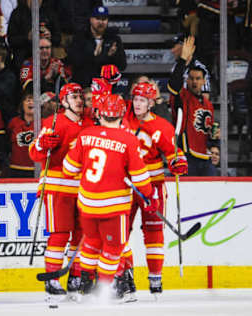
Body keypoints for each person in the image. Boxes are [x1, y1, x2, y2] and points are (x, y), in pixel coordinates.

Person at [62, 93, 156, 302]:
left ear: (99, 112)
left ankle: (86, 285)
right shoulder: (128, 139)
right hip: (114, 206)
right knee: (114, 248)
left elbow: (68, 169)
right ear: (122, 113)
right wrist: (150, 196)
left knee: (92, 243)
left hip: (87, 204)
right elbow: (140, 177)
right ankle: (106, 288)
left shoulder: (85, 135)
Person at [119, 82, 188, 300]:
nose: (137, 104)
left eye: (142, 100)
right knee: (120, 230)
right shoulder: (123, 120)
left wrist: (178, 162)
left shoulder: (163, 127)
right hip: (125, 184)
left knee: (154, 232)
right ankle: (125, 275)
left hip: (153, 184)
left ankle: (155, 277)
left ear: (151, 103)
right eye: (135, 99)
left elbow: (174, 153)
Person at [29, 83, 94, 303]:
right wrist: (42, 145)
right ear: (64, 101)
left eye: (80, 96)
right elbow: (34, 154)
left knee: (80, 234)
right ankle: (52, 279)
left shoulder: (89, 123)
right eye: (73, 97)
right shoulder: (52, 122)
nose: (79, 100)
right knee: (59, 233)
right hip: (58, 187)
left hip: (83, 189)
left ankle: (75, 276)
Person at [168, 36, 219, 176]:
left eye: (198, 79)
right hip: (187, 156)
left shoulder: (208, 104)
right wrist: (183, 60)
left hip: (205, 157)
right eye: (191, 78)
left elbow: (208, 133)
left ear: (204, 81)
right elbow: (173, 85)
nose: (194, 82)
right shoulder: (183, 97)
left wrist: (215, 139)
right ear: (187, 80)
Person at [66, 6, 126, 87]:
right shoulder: (80, 37)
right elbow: (75, 62)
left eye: (104, 19)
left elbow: (122, 65)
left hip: (106, 86)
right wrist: (98, 55)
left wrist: (112, 56)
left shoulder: (114, 39)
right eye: (97, 18)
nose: (101, 22)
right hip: (84, 85)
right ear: (91, 19)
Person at [169, 33, 211, 99]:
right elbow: (173, 90)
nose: (172, 51)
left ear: (186, 47)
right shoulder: (176, 67)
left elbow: (205, 98)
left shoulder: (199, 68)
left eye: (174, 46)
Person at [6, 89, 35, 178]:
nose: (31, 102)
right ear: (22, 104)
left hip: (35, 169)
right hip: (16, 168)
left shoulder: (43, 122)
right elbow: (7, 142)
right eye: (28, 100)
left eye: (34, 100)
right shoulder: (14, 122)